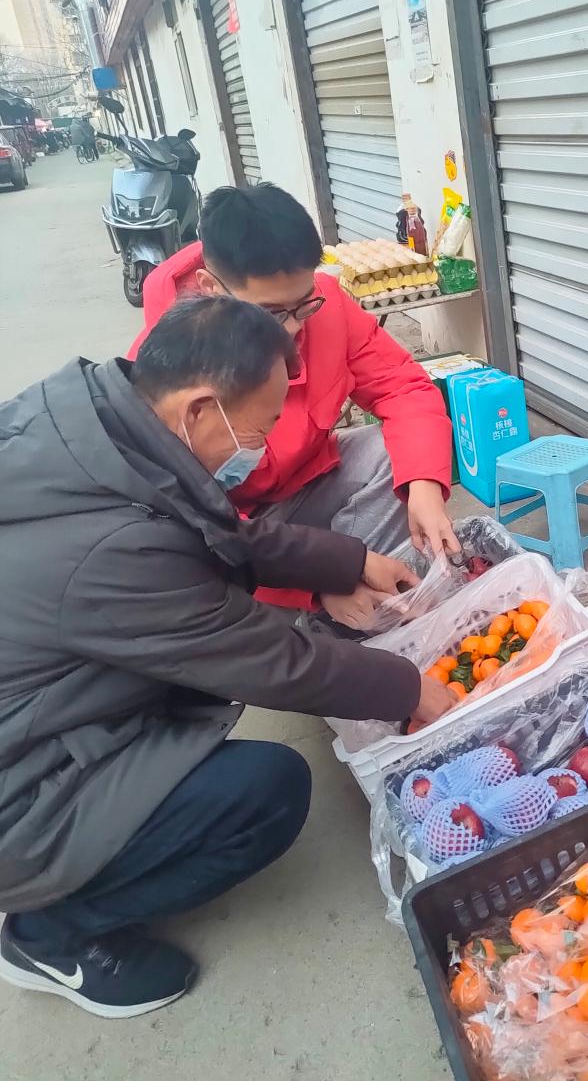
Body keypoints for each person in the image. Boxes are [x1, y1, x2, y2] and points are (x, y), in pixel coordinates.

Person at [0, 298, 457, 1019]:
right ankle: (49, 934)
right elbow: (269, 660)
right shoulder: (112, 551)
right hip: (20, 791)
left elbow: (217, 532)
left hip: (45, 704)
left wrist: (350, 561)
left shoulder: (91, 426)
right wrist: (413, 689)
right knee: (263, 793)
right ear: (199, 409)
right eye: (262, 427)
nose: (265, 446)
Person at [129, 183, 459, 627]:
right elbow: (190, 520)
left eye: (303, 305)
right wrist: (315, 586)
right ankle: (322, 623)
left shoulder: (327, 307)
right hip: (228, 530)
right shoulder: (165, 370)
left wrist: (424, 484)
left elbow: (402, 387)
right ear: (210, 287)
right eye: (270, 313)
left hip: (302, 488)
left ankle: (373, 608)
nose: (292, 329)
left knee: (392, 453)